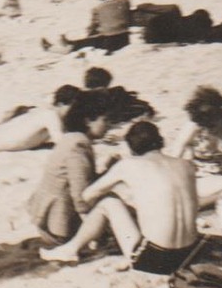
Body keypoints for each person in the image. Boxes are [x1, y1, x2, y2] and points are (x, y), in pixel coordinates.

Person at [40, 121, 201, 274]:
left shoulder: (128, 165)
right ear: (162, 142)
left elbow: (88, 194)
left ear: (132, 149)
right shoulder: (185, 165)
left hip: (155, 261)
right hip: (190, 255)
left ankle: (71, 249)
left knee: (109, 202)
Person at [170, 87, 222, 233]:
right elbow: (173, 158)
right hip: (196, 179)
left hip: (221, 178)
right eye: (206, 127)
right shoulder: (194, 125)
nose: (210, 130)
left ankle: (206, 202)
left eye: (213, 125)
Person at [27, 93, 110, 244]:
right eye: (105, 119)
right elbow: (81, 195)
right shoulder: (79, 145)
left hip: (46, 217)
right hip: (59, 227)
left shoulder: (70, 138)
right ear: (88, 121)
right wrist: (94, 236)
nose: (108, 125)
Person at [62, 0, 132, 54]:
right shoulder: (125, 2)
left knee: (88, 42)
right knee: (95, 39)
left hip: (108, 42)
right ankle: (71, 43)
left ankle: (65, 46)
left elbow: (92, 28)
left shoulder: (99, 8)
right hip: (125, 39)